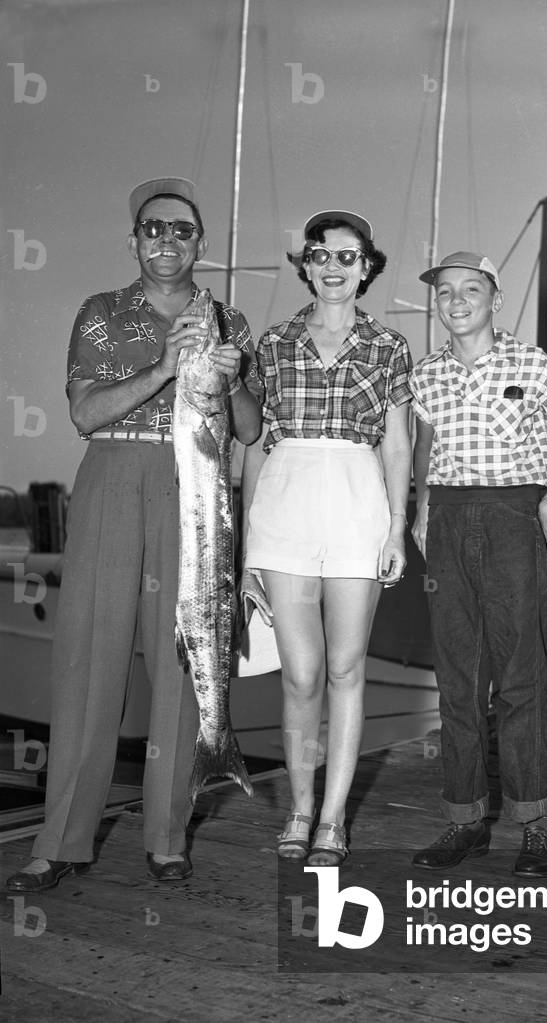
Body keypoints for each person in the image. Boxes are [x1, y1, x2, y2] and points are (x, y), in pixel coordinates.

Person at [5, 177, 262, 892]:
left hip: (198, 489)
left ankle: (167, 834)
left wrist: (231, 376)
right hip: (114, 477)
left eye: (182, 229)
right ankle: (59, 841)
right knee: (89, 659)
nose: (168, 240)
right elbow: (85, 414)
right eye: (154, 229)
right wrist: (164, 368)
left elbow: (248, 426)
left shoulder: (230, 321)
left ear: (200, 242)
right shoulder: (100, 314)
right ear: (135, 240)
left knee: (188, 661)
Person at [409, 251, 547, 877]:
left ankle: (537, 822)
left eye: (470, 289)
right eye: (444, 291)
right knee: (457, 677)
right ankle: (464, 819)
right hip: (448, 521)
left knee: (519, 677)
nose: (456, 300)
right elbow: (424, 448)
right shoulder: (426, 374)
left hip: (514, 517)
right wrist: (420, 510)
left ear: (494, 297)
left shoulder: (532, 364)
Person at [240, 210, 412, 866]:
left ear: (366, 267)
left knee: (345, 668)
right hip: (285, 499)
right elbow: (254, 445)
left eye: (347, 257)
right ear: (305, 265)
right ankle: (299, 807)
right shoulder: (274, 343)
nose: (334, 268)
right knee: (302, 675)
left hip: (357, 499)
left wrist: (397, 525)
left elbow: (397, 445)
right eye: (321, 256)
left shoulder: (390, 346)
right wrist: (247, 547)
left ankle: (332, 820)